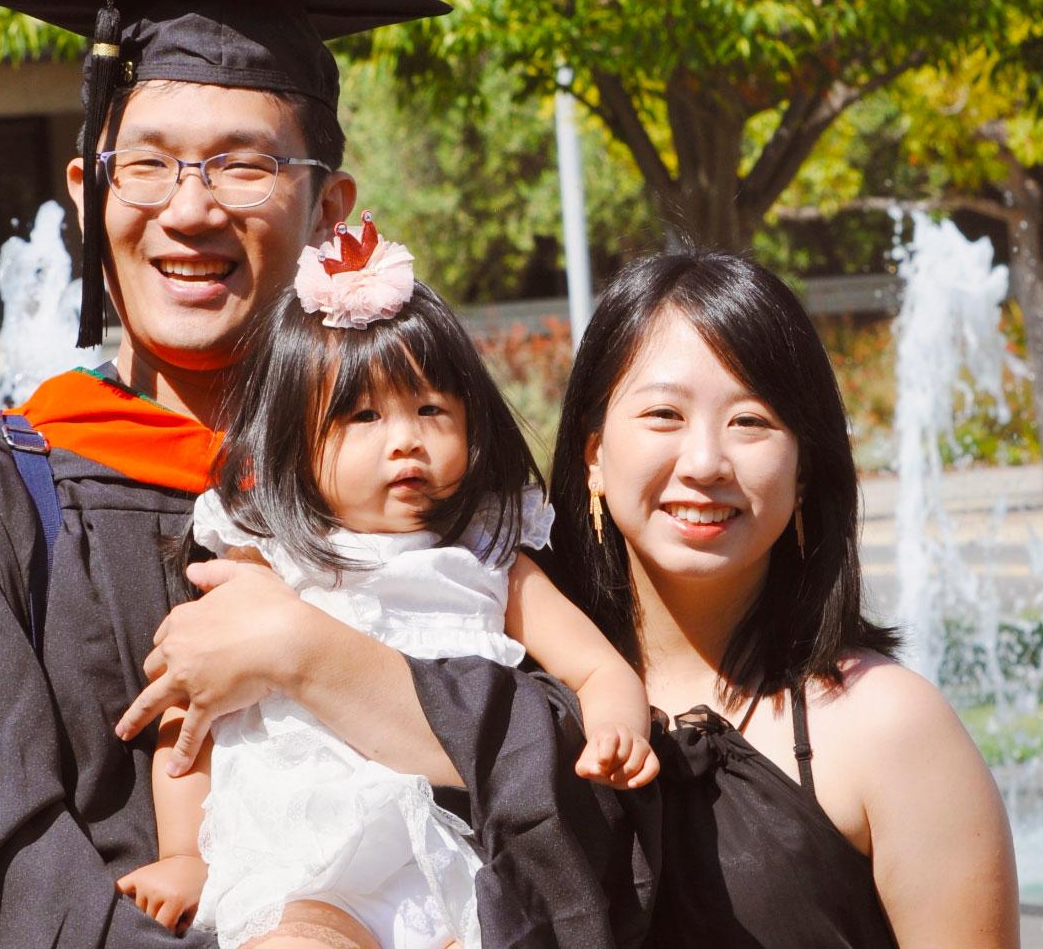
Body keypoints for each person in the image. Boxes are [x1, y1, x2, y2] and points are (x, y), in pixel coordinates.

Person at [0, 0, 478, 948]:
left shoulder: (429, 496)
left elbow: (557, 775)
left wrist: (321, 660)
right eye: (148, 166)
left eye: (243, 164)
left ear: (330, 211)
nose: (187, 210)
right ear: (90, 198)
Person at [114, 218, 656, 947]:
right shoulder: (269, 560)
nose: (406, 438)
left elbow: (595, 666)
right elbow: (189, 706)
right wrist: (184, 852)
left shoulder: (491, 555)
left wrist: (620, 725)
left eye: (432, 409)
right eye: (363, 415)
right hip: (308, 859)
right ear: (295, 444)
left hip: (460, 856)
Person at [541, 252, 1021, 947]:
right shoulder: (518, 693)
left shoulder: (888, 727)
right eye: (665, 413)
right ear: (593, 456)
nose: (706, 461)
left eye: (751, 420)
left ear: (802, 472)